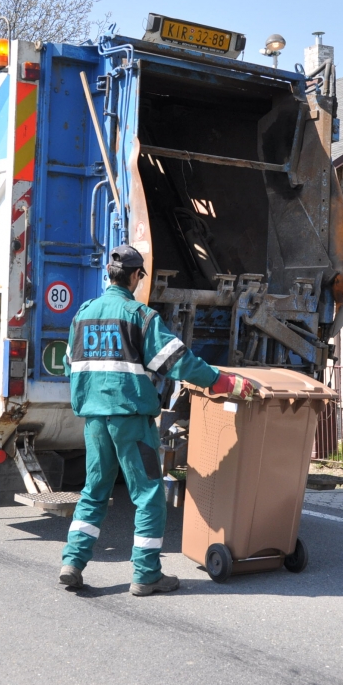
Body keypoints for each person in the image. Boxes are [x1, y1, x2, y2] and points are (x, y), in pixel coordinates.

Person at [59, 245, 251, 596]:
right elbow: (178, 362)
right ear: (136, 276)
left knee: (94, 491)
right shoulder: (140, 316)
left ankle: (72, 562)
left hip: (94, 420)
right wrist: (223, 381)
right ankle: (146, 575)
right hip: (130, 419)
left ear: (108, 275)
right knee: (148, 495)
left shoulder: (83, 314)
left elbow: (70, 363)